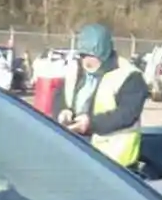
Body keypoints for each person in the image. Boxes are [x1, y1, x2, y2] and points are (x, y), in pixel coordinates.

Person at [55, 23, 145, 169]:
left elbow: (127, 114)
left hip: (114, 163)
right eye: (83, 55)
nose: (87, 61)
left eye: (92, 56)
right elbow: (60, 95)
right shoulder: (74, 69)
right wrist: (62, 111)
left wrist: (90, 123)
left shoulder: (129, 76)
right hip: (75, 153)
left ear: (104, 53)